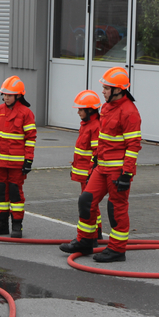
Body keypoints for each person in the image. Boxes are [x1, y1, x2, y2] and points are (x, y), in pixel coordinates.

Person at [61, 67, 141, 263]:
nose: (103, 91)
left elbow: (133, 145)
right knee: (86, 201)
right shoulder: (106, 108)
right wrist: (95, 161)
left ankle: (117, 249)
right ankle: (85, 241)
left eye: (106, 88)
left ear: (118, 90)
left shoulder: (129, 112)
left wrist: (126, 174)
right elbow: (103, 140)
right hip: (101, 167)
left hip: (117, 171)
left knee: (116, 209)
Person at [0, 75, 36, 238]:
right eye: (4, 94)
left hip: (16, 163)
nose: (6, 97)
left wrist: (28, 160)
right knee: (1, 192)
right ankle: (2, 224)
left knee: (15, 192)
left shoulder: (26, 113)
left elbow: (30, 138)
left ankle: (17, 225)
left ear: (18, 95)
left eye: (9, 95)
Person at [59, 90, 104, 248]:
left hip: (89, 173)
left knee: (89, 204)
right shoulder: (86, 125)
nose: (78, 112)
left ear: (90, 110)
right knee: (91, 204)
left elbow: (96, 153)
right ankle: (96, 232)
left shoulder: (95, 126)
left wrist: (91, 173)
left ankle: (90, 237)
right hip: (84, 172)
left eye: (80, 109)